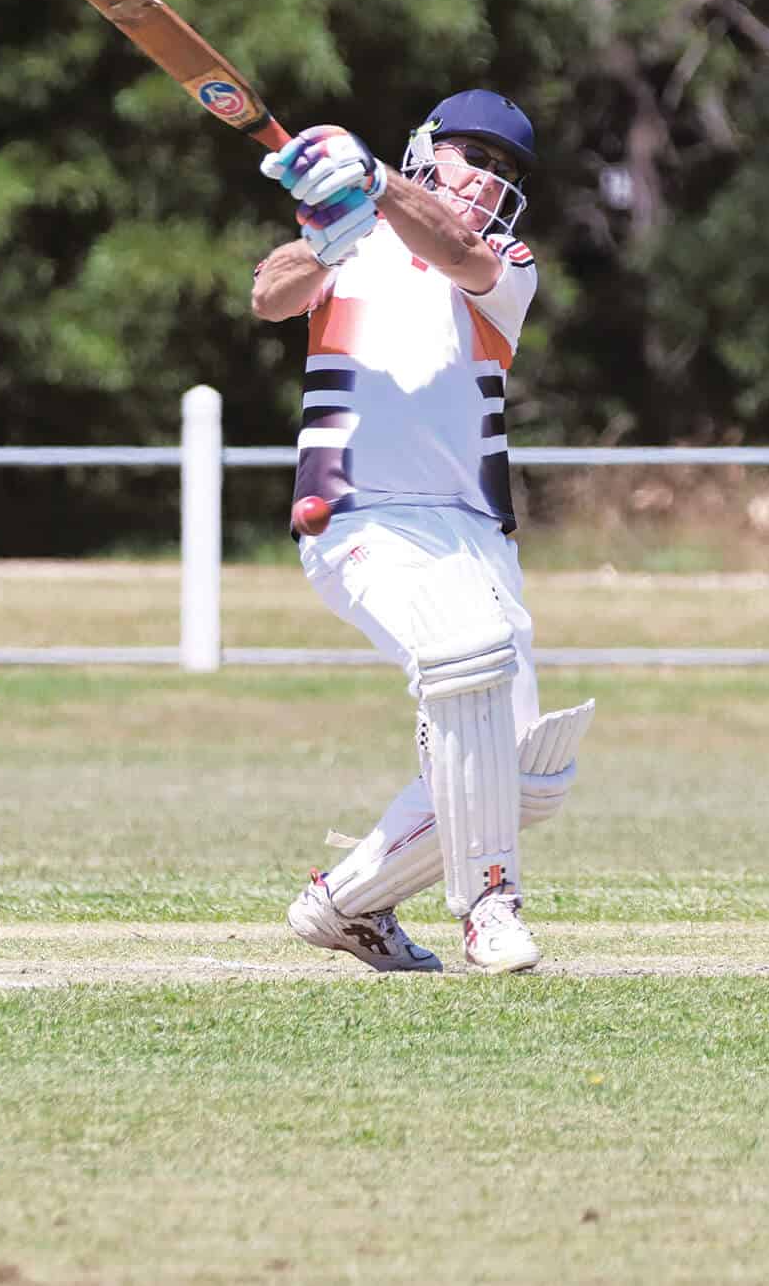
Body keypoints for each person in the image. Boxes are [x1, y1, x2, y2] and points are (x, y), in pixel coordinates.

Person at [251, 90, 595, 975]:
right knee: (465, 655)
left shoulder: (503, 260)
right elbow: (270, 297)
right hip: (356, 513)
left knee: (527, 774)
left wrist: (371, 181)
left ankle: (345, 903)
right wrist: (328, 233)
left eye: (505, 169)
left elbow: (457, 250)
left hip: (473, 530)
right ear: (424, 149)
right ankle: (490, 900)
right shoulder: (350, 236)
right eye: (472, 156)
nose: (488, 179)